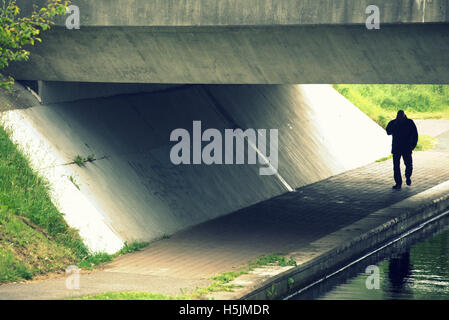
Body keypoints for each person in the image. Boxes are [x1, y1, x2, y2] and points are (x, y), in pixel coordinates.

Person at [386, 110, 418, 190]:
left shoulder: (409, 122)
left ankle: (407, 177)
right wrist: (395, 124)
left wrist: (412, 145)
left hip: (406, 148)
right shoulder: (393, 123)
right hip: (397, 148)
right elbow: (388, 132)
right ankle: (398, 183)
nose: (399, 117)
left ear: (404, 115)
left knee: (408, 165)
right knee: (397, 166)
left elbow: (415, 134)